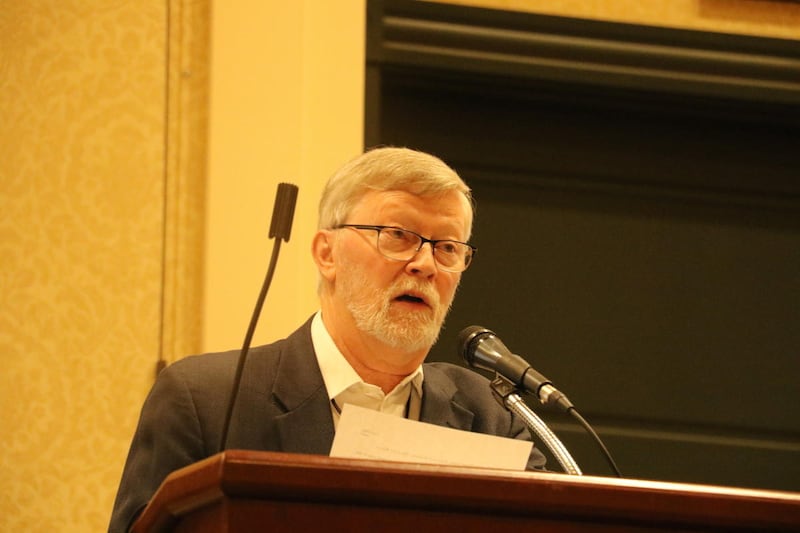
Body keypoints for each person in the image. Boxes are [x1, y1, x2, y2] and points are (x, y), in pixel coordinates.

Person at [108, 147, 546, 532]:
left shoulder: (491, 416)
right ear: (326, 253)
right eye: (398, 236)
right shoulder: (206, 401)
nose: (426, 264)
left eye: (448, 247)